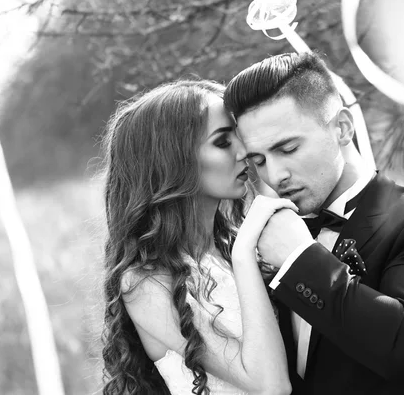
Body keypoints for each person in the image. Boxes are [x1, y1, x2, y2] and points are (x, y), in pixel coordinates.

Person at [223, 52, 404, 395]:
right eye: (259, 160)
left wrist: (299, 258)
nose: (275, 175)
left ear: (342, 127)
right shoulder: (265, 237)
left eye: (288, 148)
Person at [100, 80, 294, 395]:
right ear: (173, 161)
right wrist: (245, 252)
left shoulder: (231, 247)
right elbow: (270, 384)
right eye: (222, 142)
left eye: (238, 136)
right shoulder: (147, 282)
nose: (244, 151)